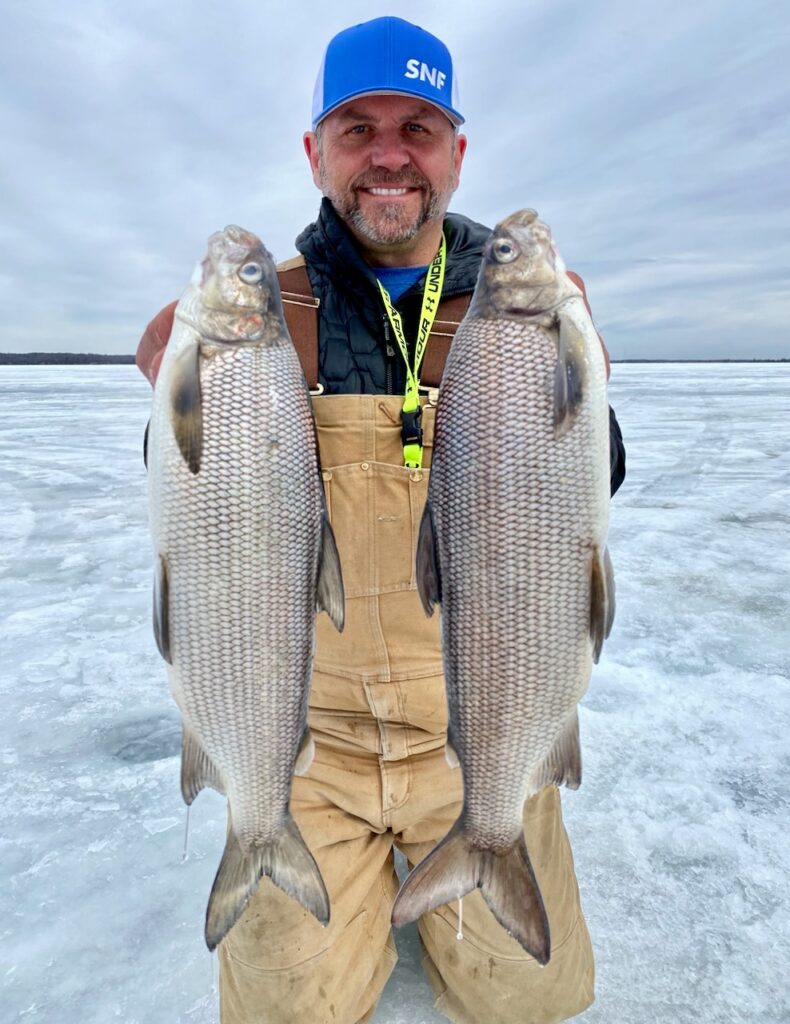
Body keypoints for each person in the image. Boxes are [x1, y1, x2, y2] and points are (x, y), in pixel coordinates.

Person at [137, 17, 626, 1024]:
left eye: (418, 129)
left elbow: (586, 492)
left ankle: (476, 845)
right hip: (306, 746)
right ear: (315, 151)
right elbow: (204, 522)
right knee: (287, 1009)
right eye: (358, 129)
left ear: (456, 152)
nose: (389, 155)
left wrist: (582, 390)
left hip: (475, 722)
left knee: (529, 1002)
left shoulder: (509, 314)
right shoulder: (273, 313)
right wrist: (173, 401)